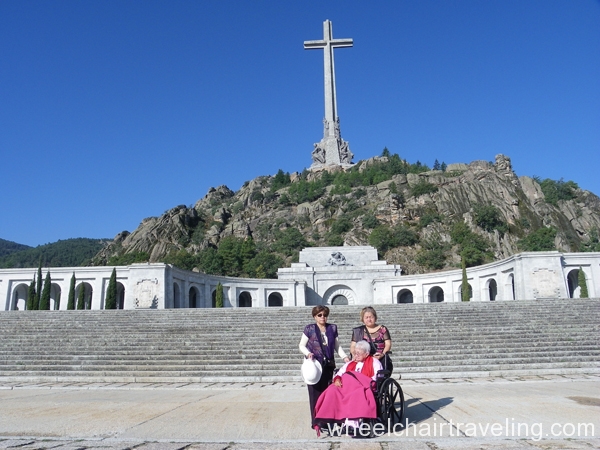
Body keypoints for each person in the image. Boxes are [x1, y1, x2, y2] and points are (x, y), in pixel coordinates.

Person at [314, 340, 383, 436]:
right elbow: (339, 373)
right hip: (346, 386)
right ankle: (324, 419)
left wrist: (359, 381)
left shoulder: (374, 362)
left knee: (355, 393)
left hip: (362, 386)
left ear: (366, 354)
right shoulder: (350, 363)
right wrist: (337, 379)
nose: (356, 356)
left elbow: (377, 377)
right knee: (331, 390)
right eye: (355, 353)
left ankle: (351, 424)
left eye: (358, 354)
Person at [299, 305, 350, 435]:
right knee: (314, 394)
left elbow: (337, 346)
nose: (323, 317)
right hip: (315, 366)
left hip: (328, 365)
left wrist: (344, 357)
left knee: (327, 394)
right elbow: (301, 345)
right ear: (315, 316)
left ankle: (326, 420)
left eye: (325, 315)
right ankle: (316, 422)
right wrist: (308, 353)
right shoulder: (309, 329)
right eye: (320, 315)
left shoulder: (332, 328)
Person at [351, 306, 393, 372]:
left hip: (379, 358)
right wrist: (355, 355)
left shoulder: (383, 329)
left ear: (375, 318)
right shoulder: (358, 331)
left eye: (371, 317)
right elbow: (353, 346)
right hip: (363, 359)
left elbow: (388, 344)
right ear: (362, 319)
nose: (369, 319)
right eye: (366, 317)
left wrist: (382, 354)